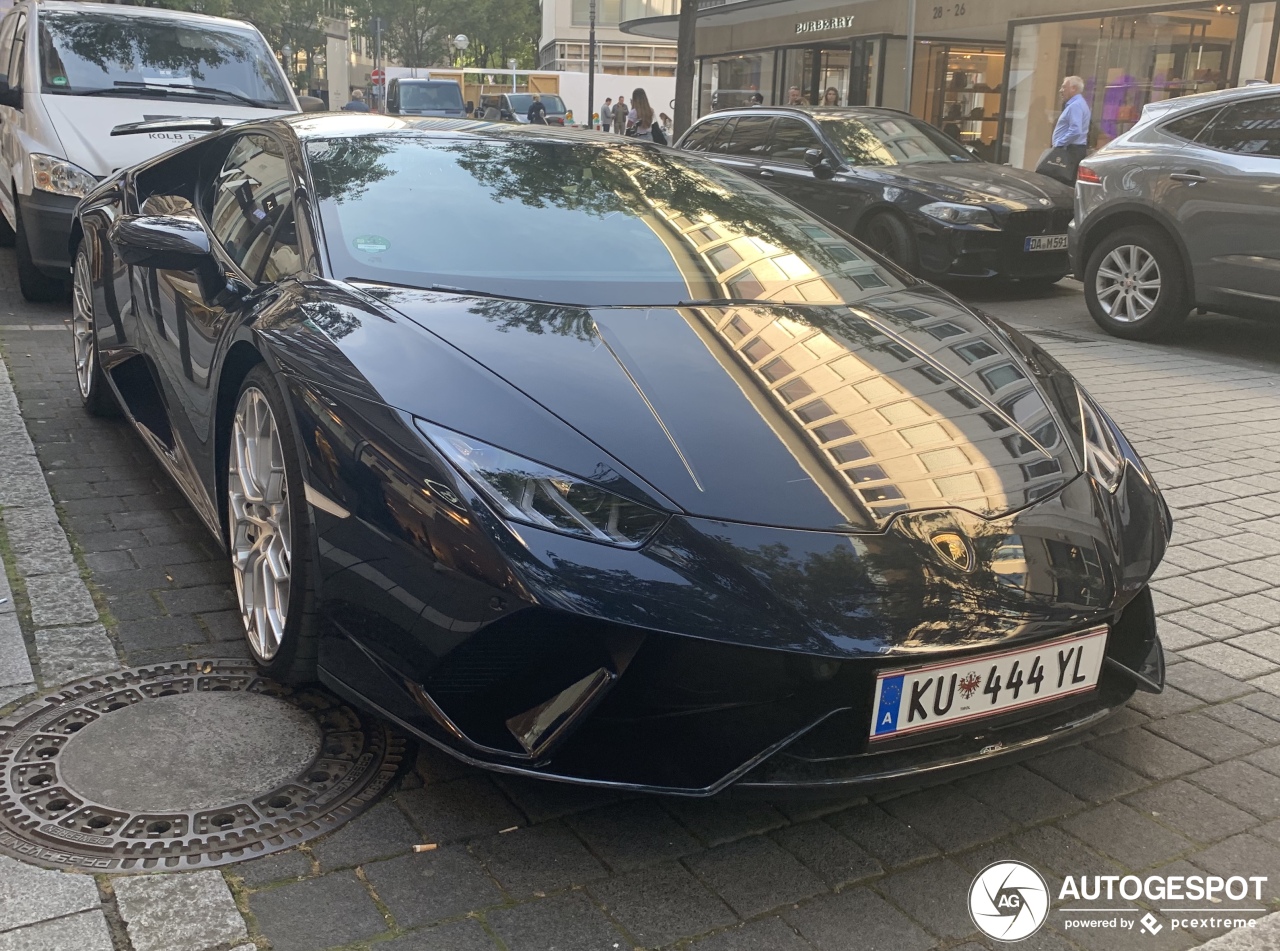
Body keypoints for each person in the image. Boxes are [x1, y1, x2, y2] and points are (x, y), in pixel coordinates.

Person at [1036, 75, 1090, 185]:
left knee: (1060, 183)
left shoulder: (1076, 106)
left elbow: (1075, 130)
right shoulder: (1078, 104)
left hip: (1069, 150)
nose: (1061, 90)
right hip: (1071, 149)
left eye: (1064, 87)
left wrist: (1059, 143)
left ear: (1073, 88)